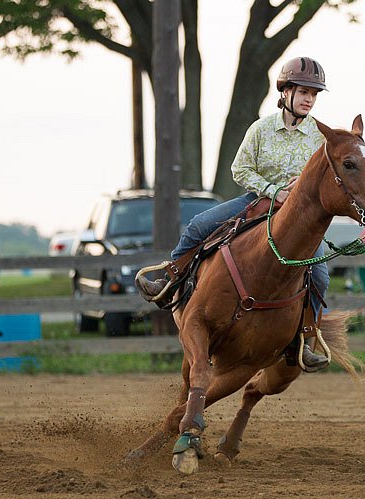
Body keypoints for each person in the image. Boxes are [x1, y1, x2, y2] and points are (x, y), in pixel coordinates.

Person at [138, 56, 331, 372]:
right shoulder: (261, 129)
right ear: (285, 92)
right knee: (199, 224)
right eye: (304, 91)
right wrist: (273, 190)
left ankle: (303, 339)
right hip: (256, 201)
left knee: (320, 275)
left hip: (300, 219)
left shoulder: (320, 137)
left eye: (314, 93)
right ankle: (169, 278)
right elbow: (239, 168)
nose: (310, 98)